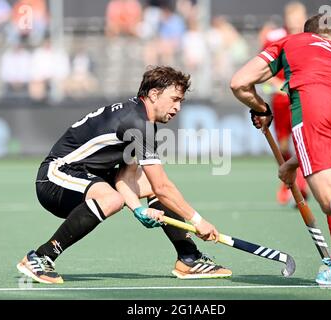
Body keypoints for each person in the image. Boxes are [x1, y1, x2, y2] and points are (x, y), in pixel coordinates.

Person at [17, 66, 232, 284]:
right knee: (116, 198)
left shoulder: (142, 119)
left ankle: (188, 258)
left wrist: (138, 209)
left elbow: (125, 176)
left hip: (87, 177)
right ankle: (42, 256)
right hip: (55, 176)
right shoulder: (137, 122)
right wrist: (199, 222)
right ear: (154, 94)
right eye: (174, 99)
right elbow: (163, 188)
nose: (177, 107)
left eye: (181, 102)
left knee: (146, 184)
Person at [230, 14, 331, 287]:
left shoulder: (288, 42)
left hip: (316, 105)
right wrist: (292, 164)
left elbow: (239, 82)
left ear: (306, 32)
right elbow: (325, 147)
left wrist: (261, 108)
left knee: (330, 200)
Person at [261, 2, 308, 205]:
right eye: (292, 17)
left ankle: (302, 184)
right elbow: (263, 69)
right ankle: (287, 181)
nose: (296, 21)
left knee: (302, 141)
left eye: (299, 16)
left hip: (304, 100)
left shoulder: (312, 38)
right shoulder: (275, 38)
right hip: (281, 102)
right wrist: (281, 85)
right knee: (282, 145)